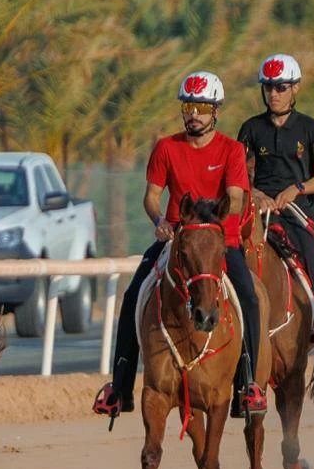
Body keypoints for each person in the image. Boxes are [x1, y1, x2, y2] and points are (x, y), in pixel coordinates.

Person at [93, 71, 267, 419]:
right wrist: (159, 221)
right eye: (188, 106)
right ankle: (120, 387)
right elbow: (151, 196)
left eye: (201, 107)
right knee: (132, 297)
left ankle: (247, 385)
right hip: (175, 242)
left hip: (221, 243)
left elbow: (235, 197)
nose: (194, 114)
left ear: (215, 111)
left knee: (248, 296)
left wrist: (209, 217)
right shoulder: (166, 148)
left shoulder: (232, 151)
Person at [237, 54, 314, 395]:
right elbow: (238, 175)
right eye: (268, 88)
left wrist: (297, 189)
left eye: (280, 87)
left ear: (294, 88)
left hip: (296, 217)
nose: (274, 94)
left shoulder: (311, 129)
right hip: (257, 214)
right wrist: (256, 193)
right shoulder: (250, 129)